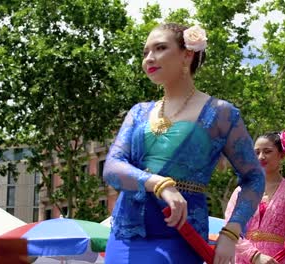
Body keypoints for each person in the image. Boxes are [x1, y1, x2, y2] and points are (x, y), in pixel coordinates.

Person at [103, 23, 265, 264]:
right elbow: (111, 168)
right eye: (145, 52)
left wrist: (231, 232)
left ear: (187, 54)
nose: (149, 58)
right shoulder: (138, 112)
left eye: (160, 48)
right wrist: (160, 184)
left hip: (181, 237)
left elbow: (254, 177)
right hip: (125, 235)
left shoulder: (222, 114)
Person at [225, 131, 285, 264]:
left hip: (277, 259)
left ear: (281, 155)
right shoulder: (241, 191)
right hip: (243, 260)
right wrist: (255, 256)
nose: (261, 157)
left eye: (267, 151)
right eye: (256, 152)